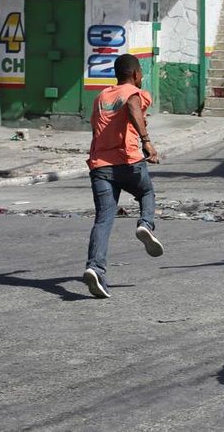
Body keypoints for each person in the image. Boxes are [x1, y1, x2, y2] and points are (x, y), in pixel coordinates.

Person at [83, 54, 163, 299]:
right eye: (141, 73)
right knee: (146, 192)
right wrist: (147, 142)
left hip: (100, 166)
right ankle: (145, 224)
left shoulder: (100, 97)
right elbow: (132, 107)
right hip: (127, 161)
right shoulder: (133, 93)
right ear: (136, 74)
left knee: (103, 219)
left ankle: (95, 268)